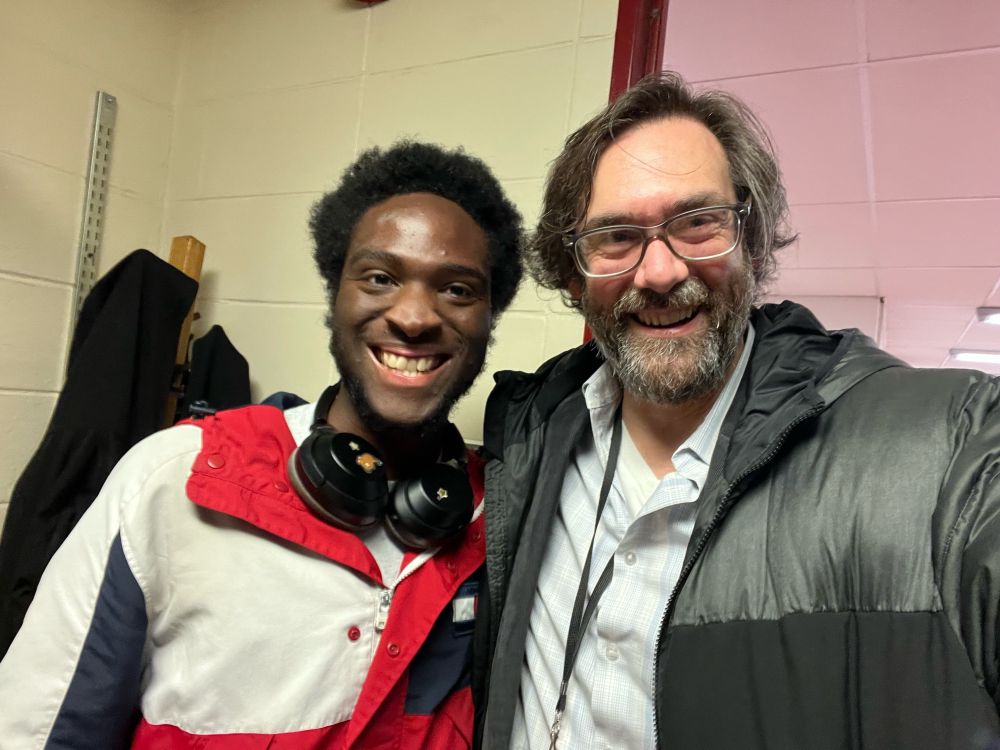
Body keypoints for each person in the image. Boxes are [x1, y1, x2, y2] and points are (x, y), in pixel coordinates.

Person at [474, 71, 1000, 750]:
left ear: (749, 242)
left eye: (698, 223)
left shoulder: (946, 444)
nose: (659, 272)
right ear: (574, 274)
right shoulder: (530, 432)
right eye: (616, 236)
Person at [0, 140, 523, 749]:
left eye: (457, 289)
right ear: (336, 293)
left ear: (489, 317)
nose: (413, 317)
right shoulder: (172, 480)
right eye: (380, 278)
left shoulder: (501, 514)